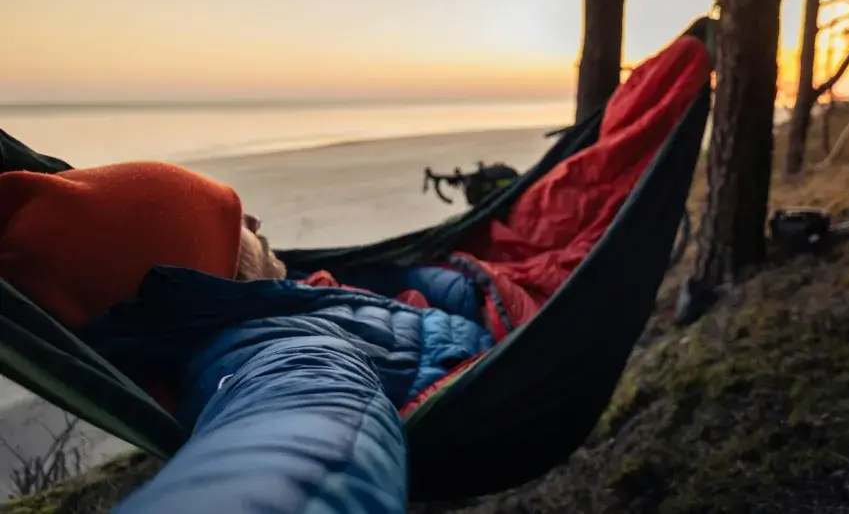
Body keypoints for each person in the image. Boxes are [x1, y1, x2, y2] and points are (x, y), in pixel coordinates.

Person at [0, 161, 494, 514]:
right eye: (236, 223)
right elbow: (301, 445)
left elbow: (375, 290)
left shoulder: (280, 296)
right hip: (500, 343)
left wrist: (457, 275)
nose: (257, 222)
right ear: (213, 271)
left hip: (463, 299)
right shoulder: (281, 355)